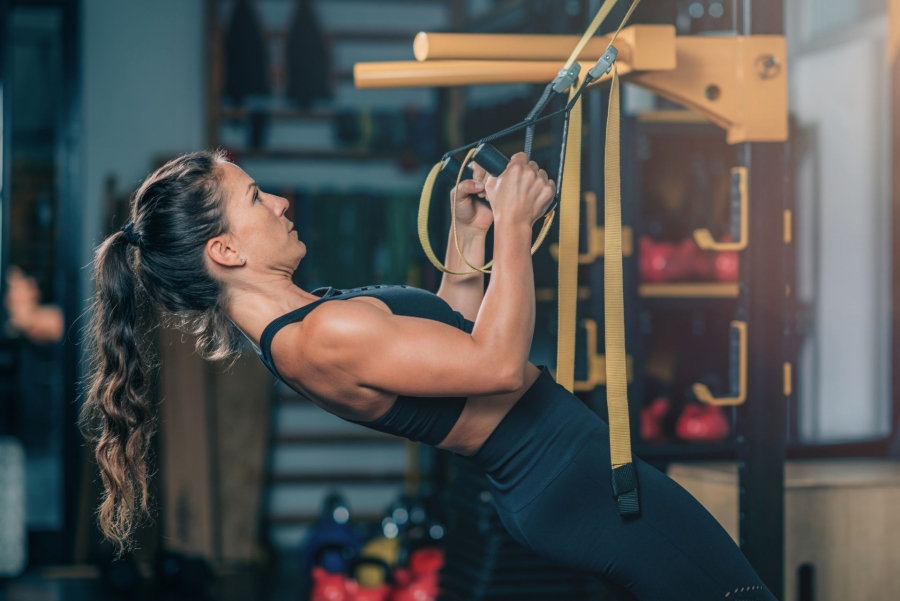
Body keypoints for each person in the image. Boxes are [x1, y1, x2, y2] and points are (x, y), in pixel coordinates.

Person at [81, 150, 775, 601]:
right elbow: (497, 366)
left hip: (562, 478)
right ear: (226, 248)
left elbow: (446, 334)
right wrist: (512, 225)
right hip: (571, 480)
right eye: (258, 197)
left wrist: (468, 236)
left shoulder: (308, 323)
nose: (282, 202)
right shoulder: (317, 336)